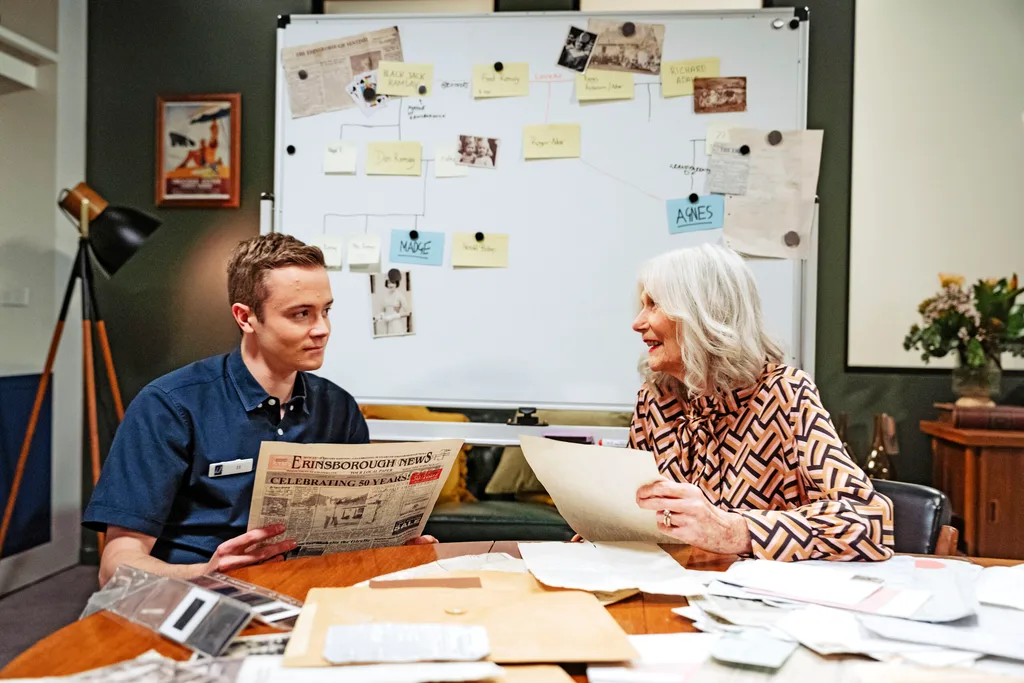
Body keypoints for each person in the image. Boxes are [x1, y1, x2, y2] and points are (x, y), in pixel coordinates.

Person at [84, 233, 434, 586]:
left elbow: (350, 542)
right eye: (301, 314)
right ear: (246, 317)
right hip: (194, 594)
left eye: (326, 311)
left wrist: (394, 548)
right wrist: (205, 573)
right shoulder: (169, 406)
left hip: (307, 592)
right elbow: (114, 567)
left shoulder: (339, 408)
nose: (323, 329)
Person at [628, 244, 894, 562]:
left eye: (654, 305)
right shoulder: (655, 400)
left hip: (766, 604)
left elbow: (869, 521)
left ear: (703, 313)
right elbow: (636, 514)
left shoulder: (784, 393)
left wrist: (735, 531)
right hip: (673, 589)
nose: (638, 323)